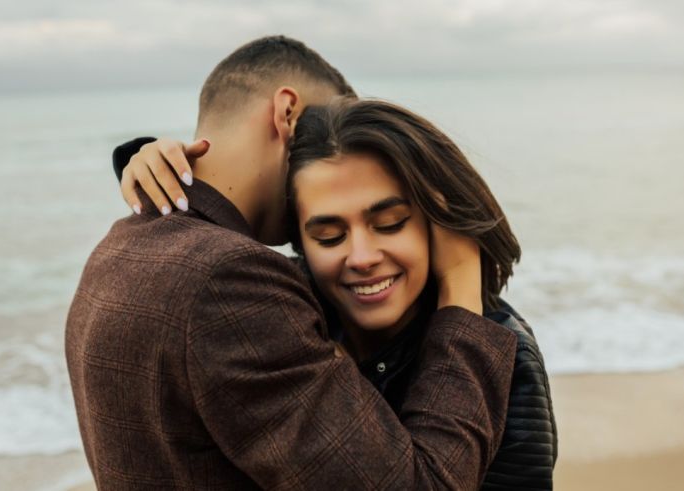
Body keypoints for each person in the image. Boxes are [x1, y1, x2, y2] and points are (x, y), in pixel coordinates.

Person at [66, 35, 518, 491]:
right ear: (288, 113)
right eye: (320, 127)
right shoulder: (230, 280)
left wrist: (137, 155)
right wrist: (460, 283)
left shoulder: (118, 249)